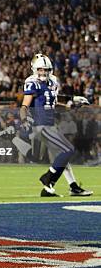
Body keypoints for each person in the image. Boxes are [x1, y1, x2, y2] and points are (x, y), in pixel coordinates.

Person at [20, 53, 93, 197]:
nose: (44, 72)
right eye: (41, 69)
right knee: (68, 150)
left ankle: (69, 187)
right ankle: (48, 178)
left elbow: (51, 102)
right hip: (41, 126)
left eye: (46, 70)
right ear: (34, 69)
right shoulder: (31, 82)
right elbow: (24, 106)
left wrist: (72, 101)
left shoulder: (52, 81)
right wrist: (24, 119)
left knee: (63, 157)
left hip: (50, 124)